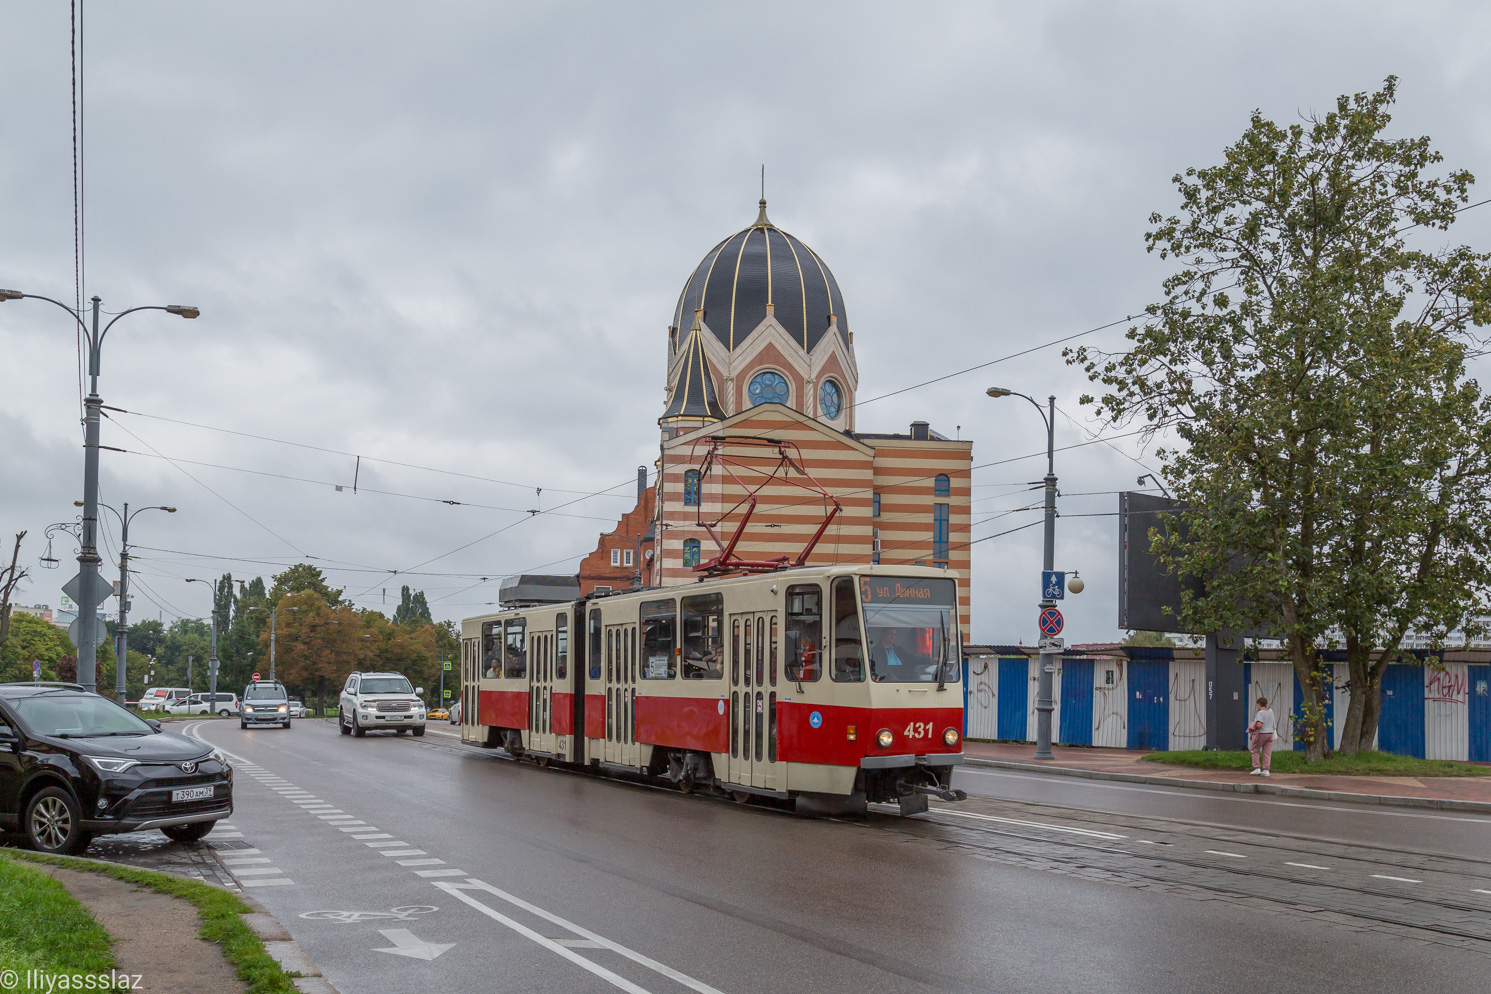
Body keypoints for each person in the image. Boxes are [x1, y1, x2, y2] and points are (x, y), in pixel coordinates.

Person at [1249, 696, 1276, 776]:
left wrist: (1254, 724)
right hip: (1270, 734)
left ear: (1259, 704)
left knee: (1255, 750)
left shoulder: (1260, 713)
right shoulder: (1270, 711)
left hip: (1262, 733)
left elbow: (1260, 725)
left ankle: (1257, 768)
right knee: (1267, 752)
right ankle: (1266, 770)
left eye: (1257, 705)